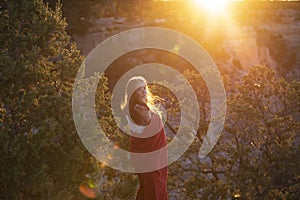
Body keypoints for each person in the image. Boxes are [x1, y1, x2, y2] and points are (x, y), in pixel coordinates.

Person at [121, 76, 168, 200]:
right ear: (132, 93)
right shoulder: (139, 110)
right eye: (139, 89)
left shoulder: (135, 108)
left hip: (149, 158)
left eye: (144, 88)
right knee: (153, 191)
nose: (144, 91)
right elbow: (149, 131)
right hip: (150, 159)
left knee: (149, 189)